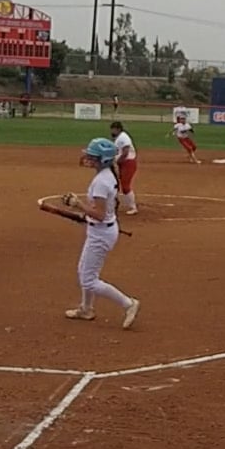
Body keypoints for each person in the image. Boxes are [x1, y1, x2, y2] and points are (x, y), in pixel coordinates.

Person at [59, 139, 140, 328]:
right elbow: (99, 213)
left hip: (101, 233)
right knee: (84, 271)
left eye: (92, 156)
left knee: (88, 280)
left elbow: (100, 215)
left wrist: (78, 204)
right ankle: (86, 309)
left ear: (102, 159)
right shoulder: (106, 176)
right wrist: (86, 216)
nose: (87, 158)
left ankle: (128, 303)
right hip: (101, 229)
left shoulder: (101, 182)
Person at [109, 120, 139, 215]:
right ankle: (113, 203)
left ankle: (133, 207)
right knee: (114, 183)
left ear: (118, 129)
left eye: (113, 129)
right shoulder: (119, 137)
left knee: (125, 186)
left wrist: (116, 162)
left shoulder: (123, 137)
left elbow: (125, 153)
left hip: (128, 163)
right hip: (123, 163)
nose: (112, 131)